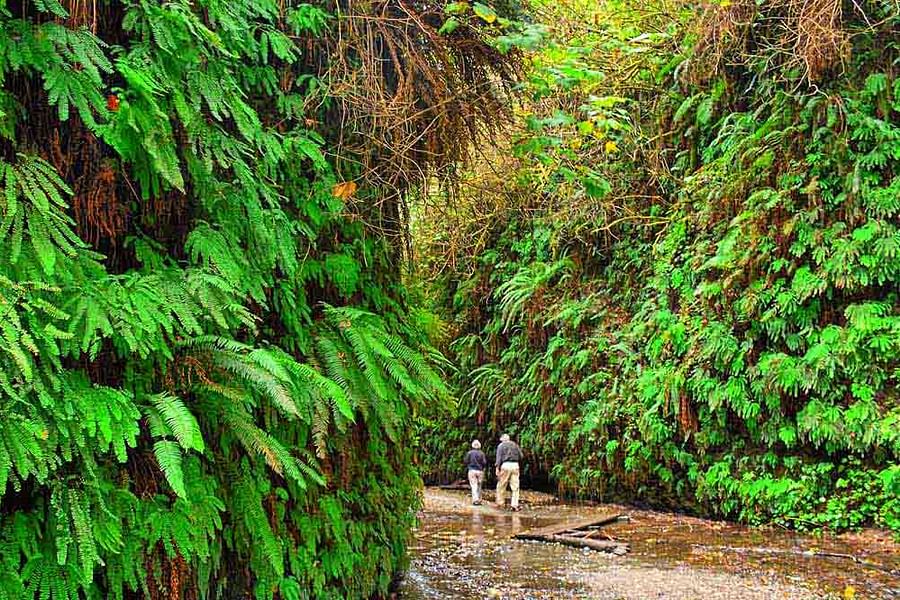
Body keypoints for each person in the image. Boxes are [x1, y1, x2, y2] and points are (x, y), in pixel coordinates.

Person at [495, 433, 523, 511]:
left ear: (502, 439)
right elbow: (521, 456)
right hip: (515, 465)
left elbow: (499, 458)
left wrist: (497, 468)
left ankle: (500, 503)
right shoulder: (515, 445)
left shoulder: (501, 446)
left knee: (502, 484)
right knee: (515, 486)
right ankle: (514, 504)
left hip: (505, 465)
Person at [464, 439, 487, 505]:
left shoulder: (469, 453)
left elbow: (466, 461)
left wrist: (469, 465)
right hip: (480, 471)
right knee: (479, 485)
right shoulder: (482, 453)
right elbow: (484, 462)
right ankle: (479, 499)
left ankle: (475, 499)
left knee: (474, 485)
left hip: (472, 470)